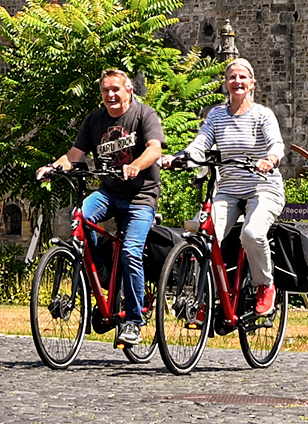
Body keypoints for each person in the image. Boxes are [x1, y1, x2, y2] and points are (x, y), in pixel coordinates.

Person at [38, 66, 164, 348]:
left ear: (128, 89)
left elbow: (155, 148)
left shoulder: (144, 115)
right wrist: (52, 168)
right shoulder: (94, 120)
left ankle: (133, 321)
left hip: (141, 197)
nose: (110, 95)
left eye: (115, 89)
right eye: (105, 90)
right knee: (80, 218)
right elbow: (74, 155)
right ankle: (101, 273)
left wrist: (135, 166)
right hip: (108, 192)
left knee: (131, 251)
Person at [178, 56, 286, 317]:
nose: (237, 81)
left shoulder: (262, 115)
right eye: (232, 77)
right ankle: (206, 296)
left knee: (251, 233)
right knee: (203, 236)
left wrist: (270, 159)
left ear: (252, 83)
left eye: (242, 77)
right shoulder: (216, 115)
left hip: (263, 188)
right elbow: (201, 144)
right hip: (228, 190)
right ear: (226, 83)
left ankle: (265, 285)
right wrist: (181, 158)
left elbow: (276, 144)